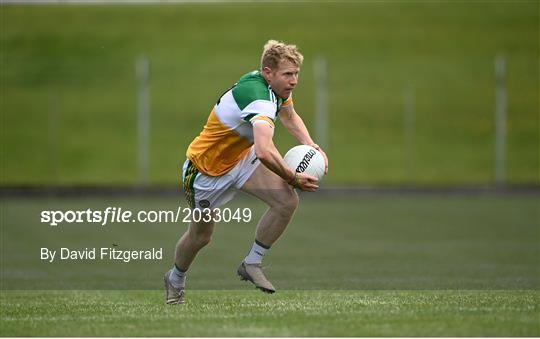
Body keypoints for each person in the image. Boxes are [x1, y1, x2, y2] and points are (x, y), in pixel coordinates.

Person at [164, 40, 328, 304]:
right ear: (267, 72)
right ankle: (175, 279)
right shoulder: (259, 98)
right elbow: (264, 150)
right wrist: (292, 177)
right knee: (201, 235)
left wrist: (311, 146)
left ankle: (252, 263)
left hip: (241, 159)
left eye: (296, 74)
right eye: (288, 74)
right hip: (205, 172)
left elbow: (289, 116)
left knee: (286, 201)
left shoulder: (277, 88)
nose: (294, 80)